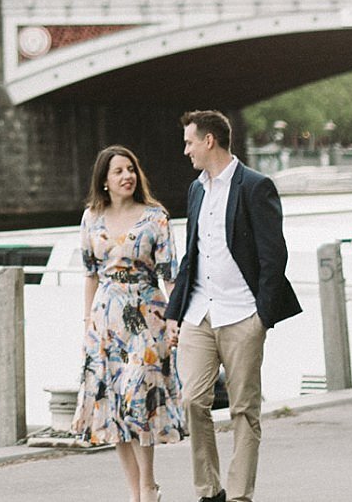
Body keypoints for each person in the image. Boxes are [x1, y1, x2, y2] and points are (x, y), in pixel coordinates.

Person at [163, 110, 301, 502]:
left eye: (190, 142)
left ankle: (239, 495)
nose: (186, 150)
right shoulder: (196, 189)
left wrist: (262, 317)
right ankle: (210, 490)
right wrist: (175, 313)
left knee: (244, 409)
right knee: (193, 399)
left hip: (242, 314)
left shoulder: (256, 187)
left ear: (210, 141)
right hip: (199, 313)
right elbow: (191, 256)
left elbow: (274, 257)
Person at [71, 144, 182, 501]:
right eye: (118, 171)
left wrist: (175, 318)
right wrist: (87, 321)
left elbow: (171, 275)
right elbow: (90, 273)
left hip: (148, 314)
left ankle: (149, 484)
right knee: (113, 405)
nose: (127, 176)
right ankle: (134, 491)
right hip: (106, 319)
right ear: (104, 180)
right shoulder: (91, 218)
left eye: (130, 169)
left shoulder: (155, 217)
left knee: (139, 397)